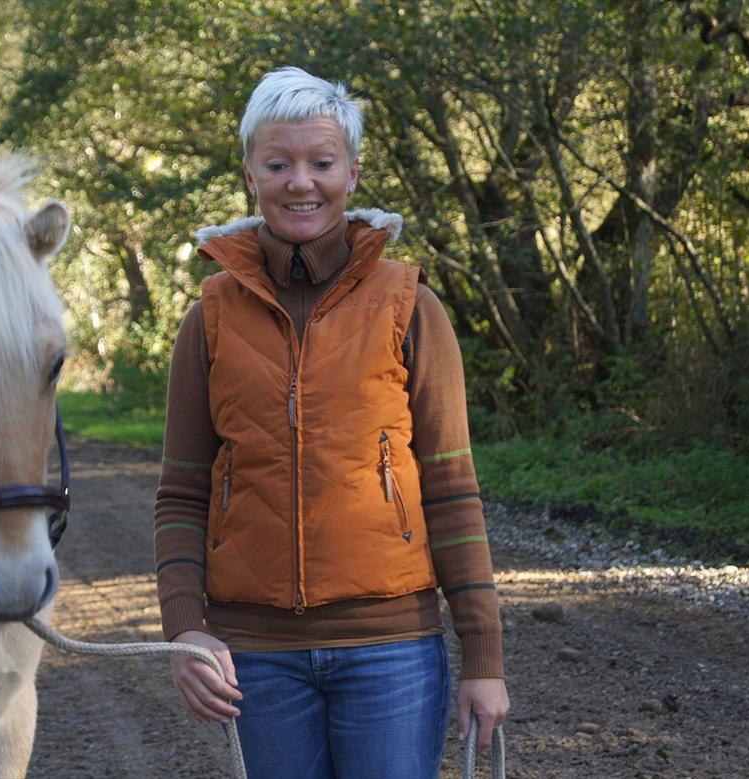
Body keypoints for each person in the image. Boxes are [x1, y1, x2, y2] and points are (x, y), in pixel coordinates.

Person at [154, 66, 509, 779]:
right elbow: (182, 494)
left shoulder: (412, 305)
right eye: (278, 163)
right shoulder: (211, 316)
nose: (300, 182)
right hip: (256, 657)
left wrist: (483, 658)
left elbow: (451, 489)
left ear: (352, 170)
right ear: (251, 173)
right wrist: (186, 630)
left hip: (392, 651)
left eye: (321, 162)